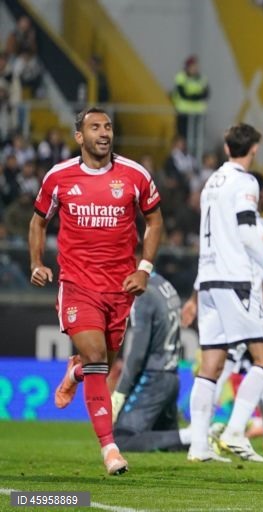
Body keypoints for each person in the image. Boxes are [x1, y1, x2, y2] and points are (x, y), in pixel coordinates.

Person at [29, 106, 164, 475]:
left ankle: (75, 374)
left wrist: (144, 269)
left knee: (98, 366)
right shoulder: (59, 177)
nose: (104, 133)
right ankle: (110, 449)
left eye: (107, 127)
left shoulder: (135, 175)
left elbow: (154, 221)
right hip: (77, 284)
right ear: (79, 136)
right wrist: (37, 263)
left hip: (121, 288)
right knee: (95, 354)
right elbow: (38, 222)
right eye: (95, 127)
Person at [186, 123, 263, 463]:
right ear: (255, 149)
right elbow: (248, 235)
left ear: (226, 148)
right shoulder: (246, 182)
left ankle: (198, 445)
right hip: (234, 279)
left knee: (210, 364)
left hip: (208, 280)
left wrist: (195, 293)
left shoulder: (211, 182)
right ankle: (236, 430)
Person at [111, 271, 192, 452]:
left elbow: (137, 353)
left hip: (154, 378)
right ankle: (197, 440)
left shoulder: (143, 293)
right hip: (171, 376)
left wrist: (120, 392)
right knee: (171, 445)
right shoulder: (163, 283)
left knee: (122, 439)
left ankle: (195, 435)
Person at [171, 55, 209, 150]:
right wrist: (197, 96)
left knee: (196, 138)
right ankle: (181, 152)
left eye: (196, 66)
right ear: (187, 67)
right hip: (183, 112)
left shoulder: (202, 78)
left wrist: (191, 96)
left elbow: (206, 94)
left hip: (198, 113)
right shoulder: (181, 77)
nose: (195, 68)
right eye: (193, 66)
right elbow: (183, 94)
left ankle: (193, 154)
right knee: (182, 136)